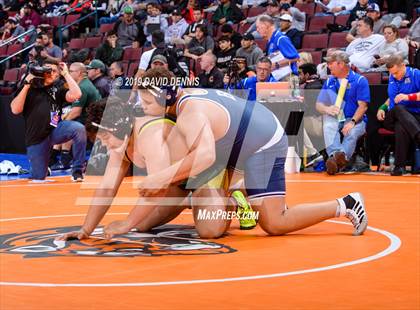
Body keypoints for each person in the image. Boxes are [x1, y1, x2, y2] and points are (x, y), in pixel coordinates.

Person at [133, 67, 369, 238]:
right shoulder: (180, 101)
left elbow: (203, 157)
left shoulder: (188, 110)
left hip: (260, 142)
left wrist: (164, 178)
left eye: (146, 100)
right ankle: (234, 193)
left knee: (274, 223)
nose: (142, 106)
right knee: (160, 215)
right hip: (236, 142)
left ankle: (345, 203)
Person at [56, 96, 255, 240]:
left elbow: (157, 189)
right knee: (141, 224)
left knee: (210, 231)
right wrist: (86, 230)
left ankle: (234, 197)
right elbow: (106, 188)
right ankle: (191, 200)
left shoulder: (149, 134)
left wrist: (126, 223)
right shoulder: (120, 143)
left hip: (205, 171)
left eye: (105, 138)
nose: (105, 145)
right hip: (177, 182)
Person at [10, 61, 85, 182]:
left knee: (78, 128)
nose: (50, 73)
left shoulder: (58, 88)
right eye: (47, 70)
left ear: (57, 75)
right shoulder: (31, 87)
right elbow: (15, 110)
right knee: (38, 177)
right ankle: (45, 168)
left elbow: (77, 94)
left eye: (54, 71)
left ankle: (77, 171)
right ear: (41, 71)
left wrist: (66, 73)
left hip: (55, 130)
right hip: (36, 138)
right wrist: (27, 84)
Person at [316, 51, 369, 175]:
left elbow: (363, 107)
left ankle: (335, 160)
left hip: (355, 118)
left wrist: (352, 122)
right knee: (328, 125)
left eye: (330, 63)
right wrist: (327, 109)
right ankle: (338, 157)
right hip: (335, 117)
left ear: (340, 64)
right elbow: (318, 105)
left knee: (351, 132)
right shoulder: (329, 81)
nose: (328, 66)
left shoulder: (360, 80)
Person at [377, 55, 420, 175]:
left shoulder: (416, 74)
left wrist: (408, 97)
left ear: (403, 65)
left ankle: (399, 166)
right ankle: (418, 136)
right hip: (392, 116)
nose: (394, 76)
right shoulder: (392, 76)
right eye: (392, 73)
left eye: (396, 72)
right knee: (399, 109)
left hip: (413, 117)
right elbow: (392, 98)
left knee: (401, 126)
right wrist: (382, 107)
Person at [256, 15, 299, 81]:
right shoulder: (271, 40)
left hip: (288, 78)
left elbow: (295, 57)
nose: (257, 30)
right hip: (278, 78)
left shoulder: (280, 38)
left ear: (266, 25)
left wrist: (276, 65)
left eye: (258, 27)